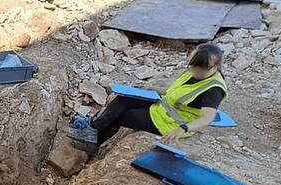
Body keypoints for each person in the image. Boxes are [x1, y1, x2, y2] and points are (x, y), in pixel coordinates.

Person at [69, 43, 228, 151]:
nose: (194, 71)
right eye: (192, 66)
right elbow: (178, 91)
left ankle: (93, 142)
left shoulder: (213, 90)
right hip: (162, 108)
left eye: (199, 68)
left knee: (123, 116)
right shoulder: (195, 72)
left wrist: (183, 128)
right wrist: (151, 90)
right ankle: (93, 129)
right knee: (123, 99)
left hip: (170, 123)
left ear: (214, 67)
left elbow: (207, 118)